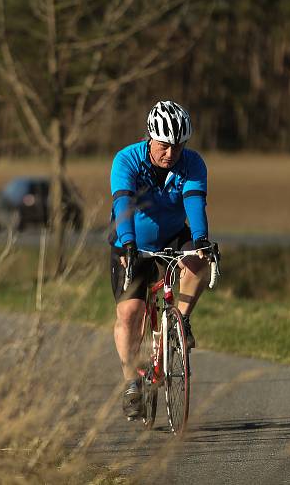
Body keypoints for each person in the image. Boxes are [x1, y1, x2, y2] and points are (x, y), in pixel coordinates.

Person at [109, 99, 213, 420]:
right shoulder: (126, 160)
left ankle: (179, 323)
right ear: (150, 138)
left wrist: (201, 241)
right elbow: (123, 205)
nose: (171, 154)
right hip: (131, 241)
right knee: (131, 313)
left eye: (178, 147)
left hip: (171, 235)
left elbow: (195, 204)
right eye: (165, 146)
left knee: (198, 262)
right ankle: (131, 384)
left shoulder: (192, 164)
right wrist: (128, 244)